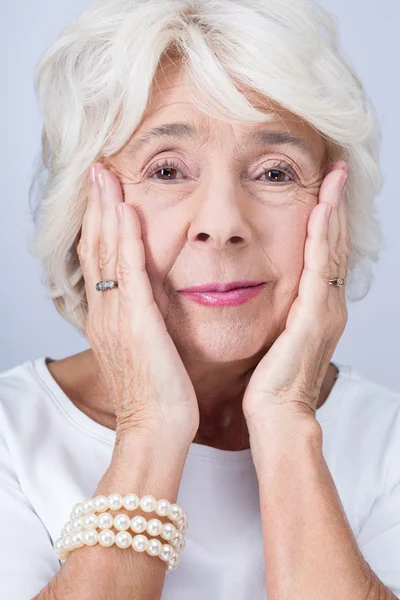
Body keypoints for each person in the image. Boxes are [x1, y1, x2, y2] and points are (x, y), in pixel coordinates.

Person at [1, 0, 399, 598]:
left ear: (333, 212)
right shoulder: (11, 437)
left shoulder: (389, 440)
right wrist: (151, 426)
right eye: (166, 171)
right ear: (86, 216)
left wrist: (287, 419)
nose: (221, 223)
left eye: (274, 172)